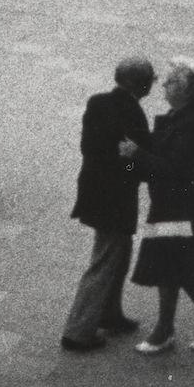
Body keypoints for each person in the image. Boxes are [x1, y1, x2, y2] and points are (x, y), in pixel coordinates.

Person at [130, 62, 194, 354]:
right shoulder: (183, 116)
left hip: (181, 205)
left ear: (186, 90)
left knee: (170, 263)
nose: (164, 86)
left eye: (172, 82)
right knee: (176, 263)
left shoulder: (190, 123)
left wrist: (136, 154)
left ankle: (167, 330)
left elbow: (172, 167)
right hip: (177, 203)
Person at [59, 58, 154, 350]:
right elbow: (132, 160)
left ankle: (110, 313)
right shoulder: (133, 113)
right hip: (115, 197)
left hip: (93, 189)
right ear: (141, 84)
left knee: (119, 253)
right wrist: (136, 165)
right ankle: (78, 331)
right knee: (106, 258)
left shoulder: (98, 102)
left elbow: (90, 148)